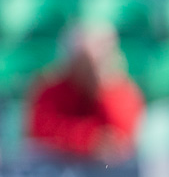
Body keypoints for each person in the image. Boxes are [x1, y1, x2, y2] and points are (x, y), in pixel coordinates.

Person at [27, 25, 144, 161]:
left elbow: (120, 136)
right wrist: (88, 138)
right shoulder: (52, 90)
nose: (92, 67)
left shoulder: (120, 90)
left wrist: (103, 89)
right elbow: (41, 128)